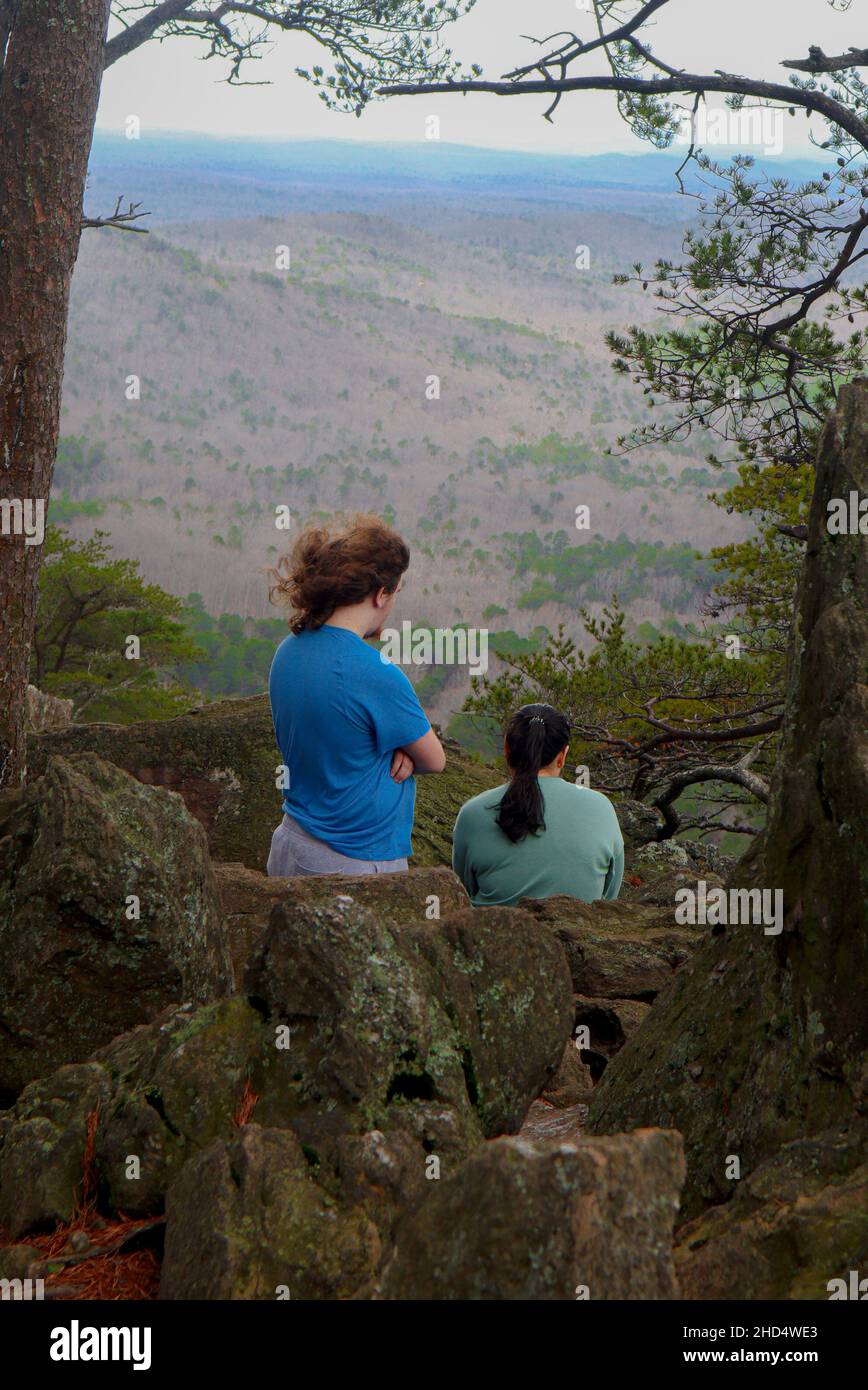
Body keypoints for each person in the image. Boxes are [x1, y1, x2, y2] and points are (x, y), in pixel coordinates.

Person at [266, 514, 445, 876]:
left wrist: (395, 747)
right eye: (396, 592)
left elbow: (337, 732)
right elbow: (435, 760)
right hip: (352, 862)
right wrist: (402, 748)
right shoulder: (375, 673)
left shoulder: (288, 650)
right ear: (381, 594)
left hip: (292, 843)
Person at [452, 702, 623, 907]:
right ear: (562, 756)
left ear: (507, 749)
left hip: (492, 935)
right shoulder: (601, 807)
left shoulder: (473, 813)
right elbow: (609, 894)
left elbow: (463, 892)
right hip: (579, 934)